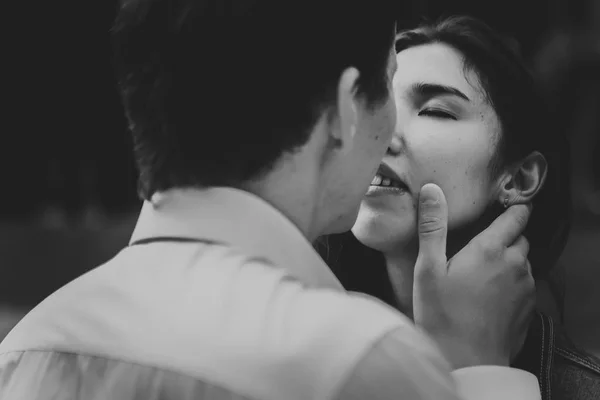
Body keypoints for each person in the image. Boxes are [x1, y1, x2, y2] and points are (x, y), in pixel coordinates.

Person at [0, 3, 539, 400]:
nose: (394, 132)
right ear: (347, 106)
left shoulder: (23, 348)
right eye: (390, 88)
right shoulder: (357, 360)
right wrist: (480, 372)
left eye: (437, 110)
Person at [321, 16, 600, 400]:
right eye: (373, 103)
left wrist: (478, 368)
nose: (381, 132)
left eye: (435, 110)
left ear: (518, 179)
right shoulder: (299, 345)